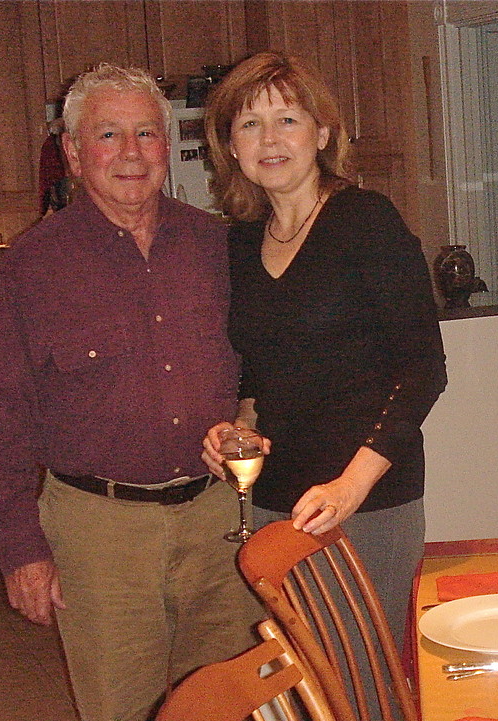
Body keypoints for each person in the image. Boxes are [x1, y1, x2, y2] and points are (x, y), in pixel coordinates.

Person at [0, 64, 263, 721]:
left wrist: (248, 429)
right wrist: (20, 545)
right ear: (72, 150)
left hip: (215, 518)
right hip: (98, 525)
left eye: (147, 135)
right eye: (109, 135)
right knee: (126, 719)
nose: (131, 154)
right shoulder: (30, 268)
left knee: (219, 709)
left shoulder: (221, 246)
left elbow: (264, 372)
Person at [201, 53, 447, 680]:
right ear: (230, 145)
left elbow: (424, 369)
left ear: (324, 132)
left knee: (367, 683)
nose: (271, 139)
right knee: (301, 682)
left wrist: (350, 486)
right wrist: (238, 427)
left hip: (368, 505)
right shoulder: (239, 240)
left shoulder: (366, 222)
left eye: (288, 118)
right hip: (273, 502)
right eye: (250, 124)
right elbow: (260, 374)